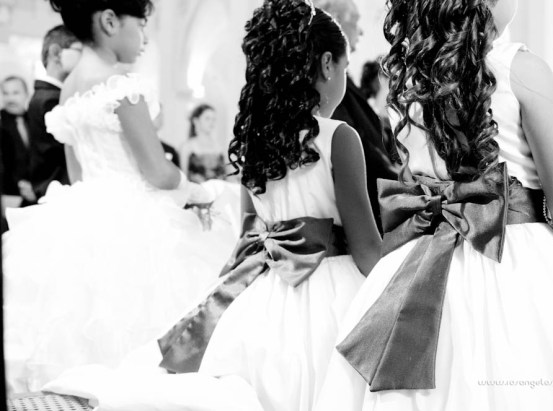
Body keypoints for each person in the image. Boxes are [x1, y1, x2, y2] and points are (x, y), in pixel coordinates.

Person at [44, 1, 380, 410]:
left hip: (266, 293)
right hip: (332, 294)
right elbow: (366, 250)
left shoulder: (256, 143)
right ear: (328, 65)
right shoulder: (340, 136)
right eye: (344, 68)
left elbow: (249, 234)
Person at [314, 0, 553, 410]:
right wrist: (546, 267)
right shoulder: (521, 70)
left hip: (419, 262)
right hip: (510, 255)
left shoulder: (408, 81)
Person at [2, 0, 236, 393]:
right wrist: (196, 190)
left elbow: (77, 175)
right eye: (141, 25)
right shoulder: (124, 87)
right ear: (110, 21)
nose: (144, 38)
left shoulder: (69, 89)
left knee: (83, 325)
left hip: (82, 210)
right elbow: (158, 172)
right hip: (136, 217)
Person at [314, 0, 398, 234]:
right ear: (334, 19)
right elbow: (355, 144)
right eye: (355, 21)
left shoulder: (340, 81)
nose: (360, 31)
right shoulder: (328, 86)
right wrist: (401, 180)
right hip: (359, 215)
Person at [28, 25, 82, 202]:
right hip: (57, 189)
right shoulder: (49, 99)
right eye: (80, 51)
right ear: (56, 53)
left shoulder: (49, 95)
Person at [0, 75, 35, 206]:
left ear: (26, 94)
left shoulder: (34, 119)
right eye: (5, 93)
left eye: (15, 93)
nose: (10, 99)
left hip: (36, 191)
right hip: (9, 195)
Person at [180, 104, 227, 183]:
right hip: (195, 189)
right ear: (196, 121)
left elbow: (228, 175)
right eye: (207, 118)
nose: (211, 122)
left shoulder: (220, 147)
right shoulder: (186, 147)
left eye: (214, 119)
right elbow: (183, 179)